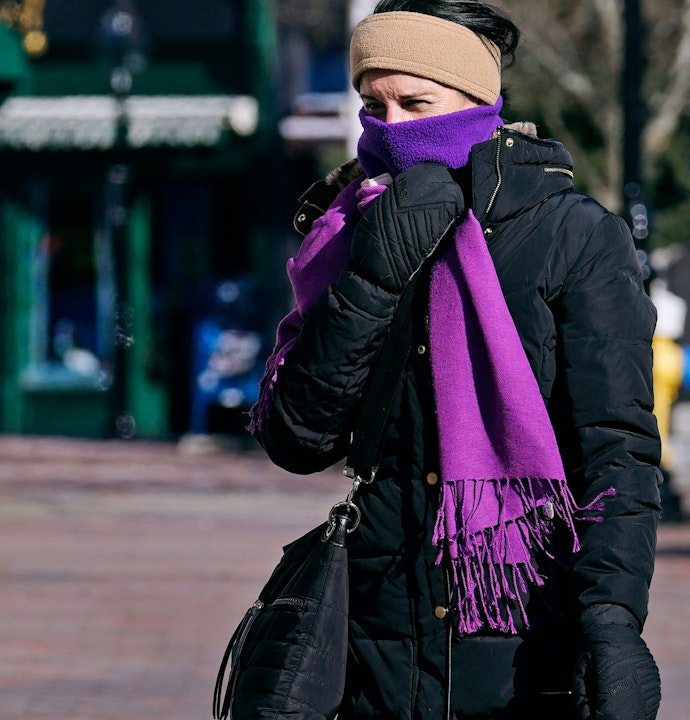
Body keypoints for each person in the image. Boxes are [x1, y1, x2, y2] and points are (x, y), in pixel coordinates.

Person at [248, 1, 662, 718]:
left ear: (479, 101)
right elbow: (297, 437)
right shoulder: (350, 227)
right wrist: (376, 273)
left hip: (522, 631)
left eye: (417, 102)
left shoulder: (575, 237)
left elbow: (617, 452)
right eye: (373, 104)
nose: (394, 127)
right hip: (375, 641)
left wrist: (613, 620)